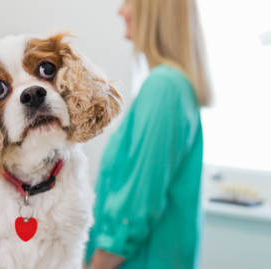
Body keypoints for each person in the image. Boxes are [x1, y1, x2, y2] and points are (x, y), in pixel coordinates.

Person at [85, 0, 212, 268]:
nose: (121, 11)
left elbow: (138, 202)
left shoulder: (164, 86)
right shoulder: (176, 85)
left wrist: (97, 263)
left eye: (128, 2)